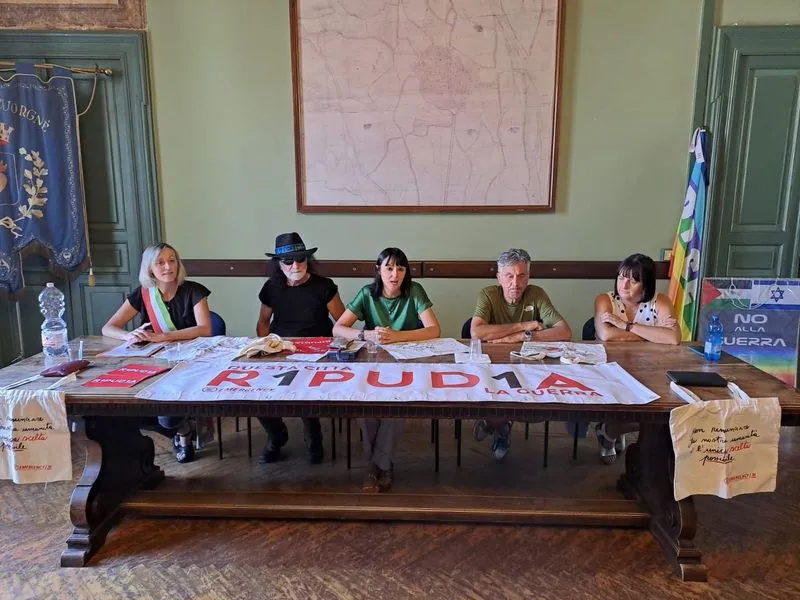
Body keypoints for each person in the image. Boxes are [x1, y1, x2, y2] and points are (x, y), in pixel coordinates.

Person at [333, 247, 441, 492]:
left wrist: (398, 336)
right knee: (365, 408)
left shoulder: (414, 291)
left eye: (400, 269)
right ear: (378, 270)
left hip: (406, 363)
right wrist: (366, 334)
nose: (395, 275)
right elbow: (338, 328)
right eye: (389, 268)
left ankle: (378, 467)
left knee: (393, 407)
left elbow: (434, 330)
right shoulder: (367, 293)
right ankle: (380, 464)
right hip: (373, 361)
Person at [102, 243, 212, 463]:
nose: (168, 267)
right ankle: (183, 430)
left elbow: (205, 329)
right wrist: (129, 335)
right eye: (160, 262)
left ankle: (182, 431)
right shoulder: (143, 295)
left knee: (168, 419)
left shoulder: (194, 291)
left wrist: (163, 336)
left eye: (172, 260)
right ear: (150, 269)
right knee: (129, 412)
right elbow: (108, 328)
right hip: (154, 364)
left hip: (189, 363)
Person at [470, 248, 571, 461]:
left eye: (521, 275)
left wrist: (522, 337)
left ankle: (495, 424)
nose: (515, 283)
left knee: (528, 398)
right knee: (494, 393)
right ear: (499, 277)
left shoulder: (537, 294)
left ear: (528, 276)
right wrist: (524, 325)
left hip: (529, 364)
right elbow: (477, 332)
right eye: (509, 276)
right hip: (492, 363)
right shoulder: (488, 294)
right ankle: (499, 426)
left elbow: (564, 332)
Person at [256, 232, 345, 464]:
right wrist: (264, 347)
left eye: (301, 259)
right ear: (279, 263)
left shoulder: (324, 286)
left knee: (306, 388)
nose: (296, 265)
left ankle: (313, 433)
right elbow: (263, 321)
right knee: (256, 390)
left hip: (317, 352)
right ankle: (276, 435)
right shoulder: (271, 287)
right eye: (288, 261)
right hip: (279, 349)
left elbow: (343, 322)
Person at [592, 253, 680, 464]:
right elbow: (607, 335)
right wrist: (652, 335)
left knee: (658, 415)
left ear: (646, 284)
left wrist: (627, 326)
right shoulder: (605, 299)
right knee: (621, 406)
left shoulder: (660, 301)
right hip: (611, 367)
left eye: (633, 280)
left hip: (651, 367)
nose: (624, 285)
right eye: (621, 277)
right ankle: (609, 432)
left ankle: (613, 433)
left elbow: (674, 338)